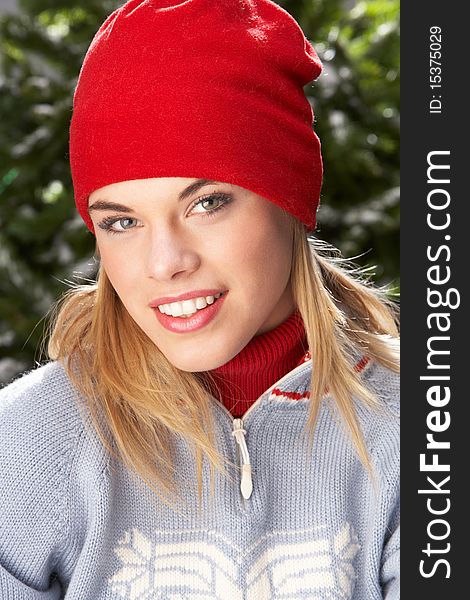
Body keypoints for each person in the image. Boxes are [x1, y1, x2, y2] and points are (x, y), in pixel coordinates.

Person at [0, 1, 399, 598]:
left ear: (288, 199)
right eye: (122, 222)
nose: (165, 263)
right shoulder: (32, 441)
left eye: (206, 203)